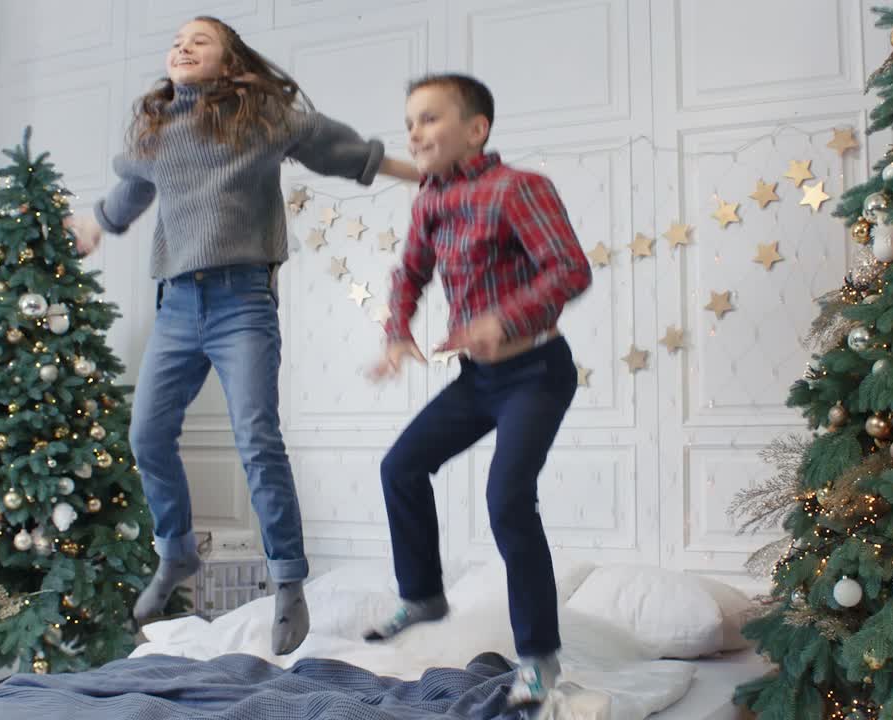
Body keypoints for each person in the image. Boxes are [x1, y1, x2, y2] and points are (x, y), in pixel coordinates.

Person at [67, 15, 418, 655]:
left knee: (257, 439)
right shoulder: (158, 132)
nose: (181, 47)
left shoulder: (261, 119)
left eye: (198, 41)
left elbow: (338, 149)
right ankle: (176, 552)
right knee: (146, 434)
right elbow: (128, 196)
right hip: (177, 306)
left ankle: (288, 581)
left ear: (229, 61)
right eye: (176, 41)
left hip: (242, 304)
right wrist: (94, 227)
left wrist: (415, 171)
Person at [364, 73, 591, 708]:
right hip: (479, 379)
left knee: (507, 500)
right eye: (410, 123)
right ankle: (423, 595)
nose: (415, 133)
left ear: (476, 129)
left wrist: (503, 319)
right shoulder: (429, 202)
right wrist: (396, 331)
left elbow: (570, 269)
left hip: (536, 372)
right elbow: (409, 273)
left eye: (430, 119)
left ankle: (539, 656)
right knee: (400, 467)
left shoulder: (518, 189)